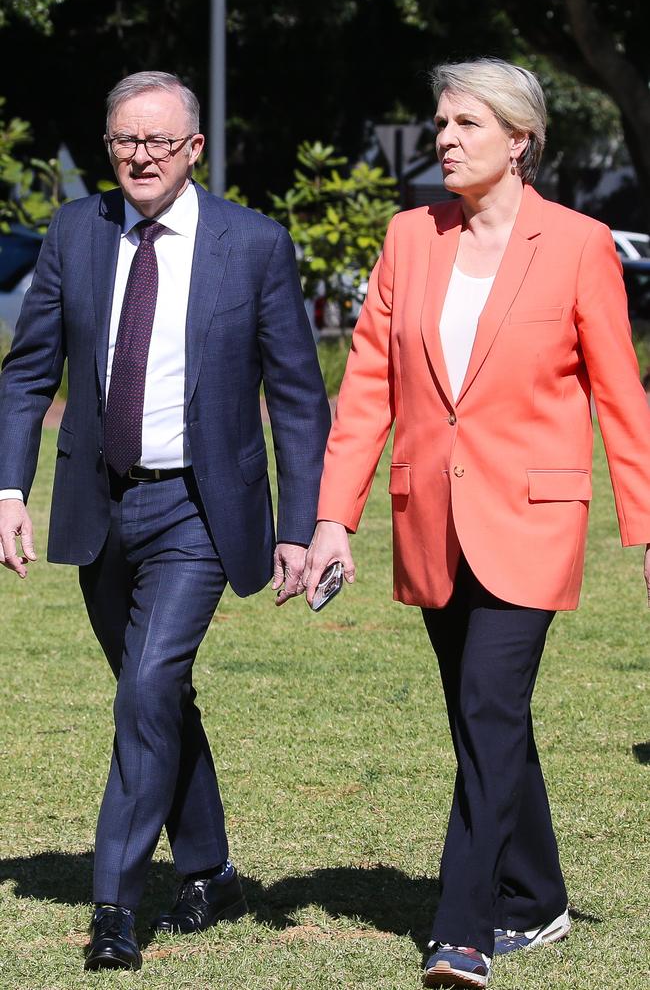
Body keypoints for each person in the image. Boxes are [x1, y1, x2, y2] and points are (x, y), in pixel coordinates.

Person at [303, 58, 650, 989]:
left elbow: (623, 396)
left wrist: (647, 527)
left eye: (465, 122)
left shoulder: (579, 244)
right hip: (430, 518)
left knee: (491, 707)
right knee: (483, 717)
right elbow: (367, 388)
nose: (444, 138)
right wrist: (335, 517)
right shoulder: (409, 237)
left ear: (519, 139)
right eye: (440, 121)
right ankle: (537, 900)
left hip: (530, 518)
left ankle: (463, 927)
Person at [0, 71, 330, 972]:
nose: (138, 157)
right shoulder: (76, 232)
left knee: (144, 690)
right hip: (98, 505)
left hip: (201, 508)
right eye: (122, 141)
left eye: (157, 141)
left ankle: (114, 903)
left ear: (194, 150)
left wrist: (302, 524)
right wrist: (8, 490)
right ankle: (212, 867)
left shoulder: (253, 244)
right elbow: (28, 374)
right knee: (160, 700)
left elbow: (299, 399)